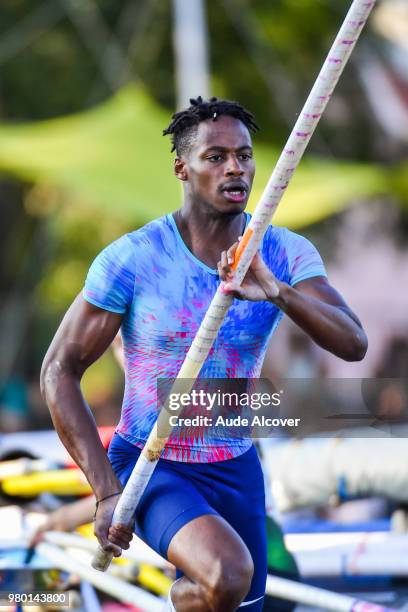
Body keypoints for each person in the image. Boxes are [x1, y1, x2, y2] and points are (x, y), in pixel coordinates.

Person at [41, 96, 367, 612]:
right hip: (151, 464)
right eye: (216, 157)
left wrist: (277, 290)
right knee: (226, 573)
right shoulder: (135, 258)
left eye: (244, 155)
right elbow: (59, 370)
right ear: (182, 168)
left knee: (236, 601)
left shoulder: (284, 253)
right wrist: (105, 492)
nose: (235, 167)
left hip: (237, 467)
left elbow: (353, 343)